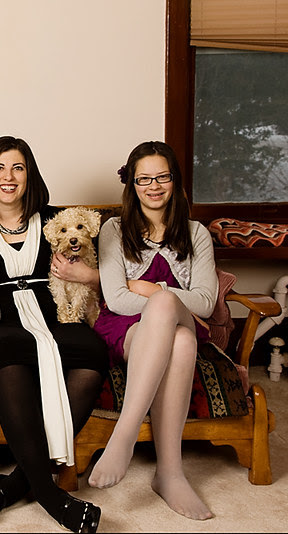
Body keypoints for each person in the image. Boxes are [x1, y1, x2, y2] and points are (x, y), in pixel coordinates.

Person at [0, 136, 106, 533]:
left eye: (18, 167)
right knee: (10, 349)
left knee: (90, 349)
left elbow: (96, 263)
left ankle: (11, 486)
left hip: (56, 315)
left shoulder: (57, 219)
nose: (8, 176)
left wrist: (86, 275)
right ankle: (53, 499)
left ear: (30, 175)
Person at [88, 141, 217, 521]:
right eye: (144, 179)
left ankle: (128, 438)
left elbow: (205, 302)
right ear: (132, 184)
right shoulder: (114, 229)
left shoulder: (196, 233)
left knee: (167, 310)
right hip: (127, 327)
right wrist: (165, 299)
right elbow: (116, 299)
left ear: (175, 180)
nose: (154, 186)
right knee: (180, 337)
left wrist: (152, 291)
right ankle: (169, 472)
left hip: (183, 319)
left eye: (162, 177)